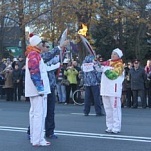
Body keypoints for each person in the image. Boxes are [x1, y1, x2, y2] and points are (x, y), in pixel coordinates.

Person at [25, 35, 51, 146]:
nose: (42, 45)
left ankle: (34, 138)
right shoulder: (34, 55)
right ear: (36, 44)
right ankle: (38, 139)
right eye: (40, 43)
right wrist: (40, 89)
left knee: (34, 114)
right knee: (39, 115)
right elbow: (34, 72)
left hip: (34, 90)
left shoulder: (33, 54)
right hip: (38, 90)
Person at [40, 40, 68, 139]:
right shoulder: (39, 57)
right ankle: (32, 131)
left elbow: (59, 58)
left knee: (50, 111)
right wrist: (59, 47)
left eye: (49, 47)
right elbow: (50, 55)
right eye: (47, 47)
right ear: (42, 47)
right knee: (39, 112)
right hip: (41, 89)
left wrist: (63, 49)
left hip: (51, 87)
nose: (48, 48)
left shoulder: (50, 57)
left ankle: (50, 132)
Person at [100, 48, 124, 134]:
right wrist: (96, 65)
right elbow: (99, 68)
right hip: (105, 89)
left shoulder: (120, 65)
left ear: (118, 56)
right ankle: (109, 126)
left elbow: (113, 75)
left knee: (115, 109)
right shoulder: (107, 62)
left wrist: (104, 69)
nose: (112, 55)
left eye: (114, 54)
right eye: (112, 53)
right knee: (107, 109)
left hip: (114, 90)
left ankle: (116, 127)